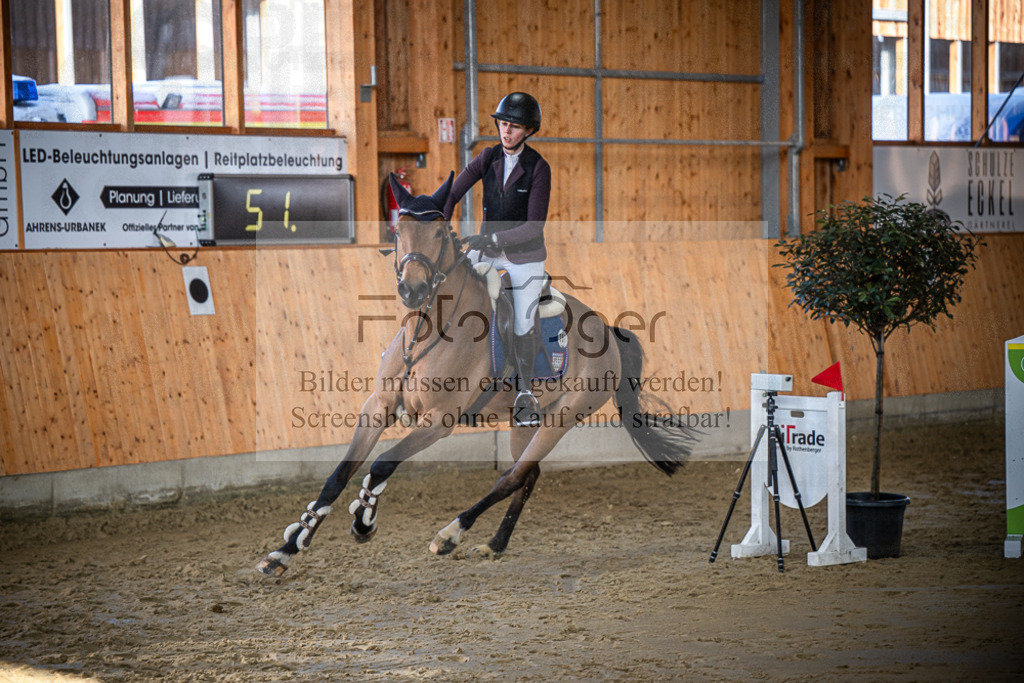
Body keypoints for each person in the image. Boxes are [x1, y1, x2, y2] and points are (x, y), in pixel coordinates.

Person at [443, 92, 551, 427]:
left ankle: (525, 394)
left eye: (514, 127)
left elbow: (534, 226)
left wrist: (494, 239)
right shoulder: (487, 157)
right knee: (450, 286)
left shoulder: (539, 168)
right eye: (503, 124)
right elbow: (453, 192)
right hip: (486, 250)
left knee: (522, 321)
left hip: (524, 257)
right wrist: (438, 222)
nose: (506, 131)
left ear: (528, 130)